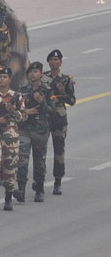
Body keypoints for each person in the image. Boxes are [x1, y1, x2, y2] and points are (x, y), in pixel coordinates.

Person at [15, 61, 53, 204]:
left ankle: (39, 189)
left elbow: (53, 110)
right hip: (24, 129)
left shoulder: (47, 90)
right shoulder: (22, 90)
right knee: (22, 160)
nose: (33, 74)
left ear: (41, 74)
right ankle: (21, 189)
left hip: (40, 130)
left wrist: (42, 102)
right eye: (31, 72)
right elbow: (16, 109)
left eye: (36, 72)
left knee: (39, 161)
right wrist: (26, 112)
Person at [0, 67, 25, 211]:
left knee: (10, 167)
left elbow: (23, 117)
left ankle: (9, 197)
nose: (3, 79)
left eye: (5, 77)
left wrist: (13, 111)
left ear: (9, 79)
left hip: (11, 135)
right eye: (0, 77)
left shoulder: (16, 96)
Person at [43, 49, 75, 195]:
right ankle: (39, 180)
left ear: (60, 62)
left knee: (59, 150)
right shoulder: (42, 77)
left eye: (56, 60)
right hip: (44, 117)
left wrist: (63, 94)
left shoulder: (66, 79)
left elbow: (72, 101)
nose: (53, 62)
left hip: (59, 118)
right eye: (51, 60)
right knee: (40, 150)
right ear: (48, 62)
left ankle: (57, 181)